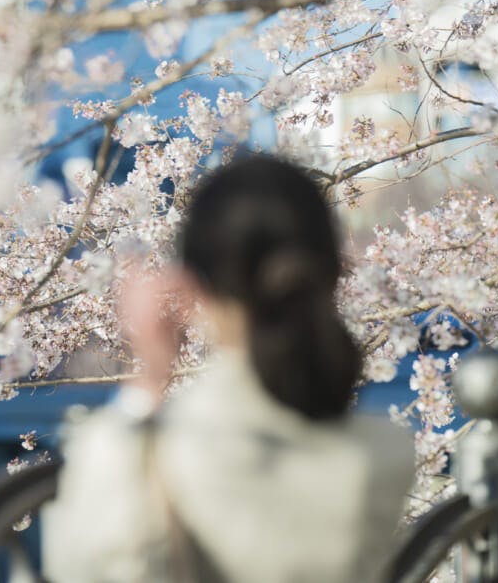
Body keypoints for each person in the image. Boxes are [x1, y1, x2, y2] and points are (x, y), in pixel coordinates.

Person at [42, 155, 415, 583]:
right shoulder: (386, 452)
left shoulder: (153, 453)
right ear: (332, 272)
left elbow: (85, 567)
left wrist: (145, 387)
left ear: (192, 285)